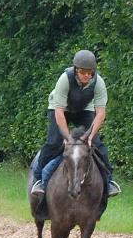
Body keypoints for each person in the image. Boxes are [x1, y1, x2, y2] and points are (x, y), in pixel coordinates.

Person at [31, 49, 120, 197]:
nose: (86, 76)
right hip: (61, 109)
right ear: (76, 70)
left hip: (84, 109)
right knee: (54, 142)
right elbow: (59, 112)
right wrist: (67, 137)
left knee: (97, 143)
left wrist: (91, 136)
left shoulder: (99, 83)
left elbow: (101, 113)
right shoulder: (64, 79)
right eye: (83, 72)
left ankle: (109, 181)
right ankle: (38, 179)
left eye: (89, 73)